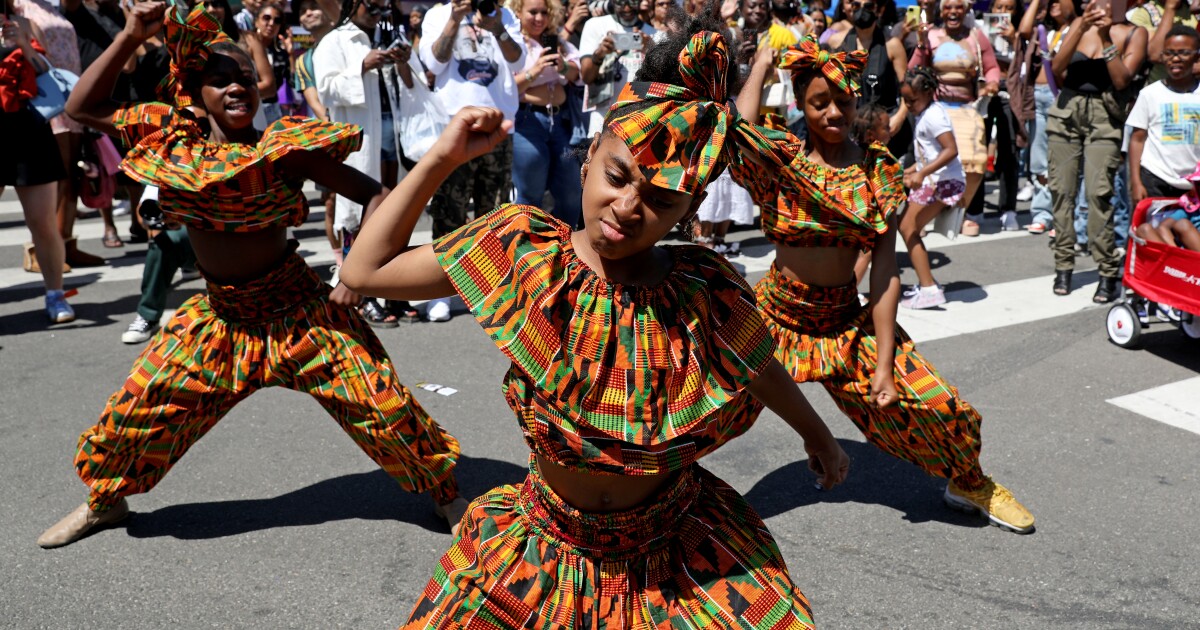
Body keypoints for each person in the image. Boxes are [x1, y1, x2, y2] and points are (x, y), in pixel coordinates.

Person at [341, 15, 851, 627]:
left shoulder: (703, 288)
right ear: (587, 163)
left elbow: (757, 365)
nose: (628, 208)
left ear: (689, 210)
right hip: (542, 547)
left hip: (677, 552)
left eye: (662, 201)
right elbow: (368, 270)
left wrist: (815, 433)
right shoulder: (521, 252)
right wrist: (441, 159)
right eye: (617, 177)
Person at [36, 2, 465, 549]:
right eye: (220, 81)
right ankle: (106, 502)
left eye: (244, 79)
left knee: (384, 407)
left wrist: (360, 274)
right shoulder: (171, 139)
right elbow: (81, 105)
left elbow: (379, 195)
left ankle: (448, 495)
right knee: (137, 413)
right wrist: (129, 35)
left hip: (301, 315)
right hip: (220, 321)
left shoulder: (283, 150)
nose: (237, 88)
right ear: (195, 91)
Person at [736, 35, 1036, 533]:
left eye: (843, 102)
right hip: (776, 319)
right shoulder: (783, 161)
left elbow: (883, 272)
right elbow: (737, 134)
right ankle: (631, 494)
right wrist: (762, 64)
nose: (833, 112)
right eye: (819, 103)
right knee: (695, 410)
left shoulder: (878, 169)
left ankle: (969, 480)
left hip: (844, 321)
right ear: (799, 103)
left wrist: (883, 369)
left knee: (944, 406)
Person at [419, 0, 526, 322]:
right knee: (449, 210)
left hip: (499, 125)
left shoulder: (504, 14)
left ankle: (488, 290)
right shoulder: (437, 14)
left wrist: (497, 28)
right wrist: (454, 19)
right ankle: (440, 291)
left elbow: (519, 62)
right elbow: (433, 63)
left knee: (492, 212)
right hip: (454, 126)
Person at [315, 0, 412, 327]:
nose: (377, 11)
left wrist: (402, 63)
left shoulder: (387, 35)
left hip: (392, 136)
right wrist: (363, 65)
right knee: (360, 215)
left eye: (382, 6)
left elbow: (410, 87)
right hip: (362, 139)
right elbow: (326, 89)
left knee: (395, 211)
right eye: (370, 4)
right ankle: (363, 294)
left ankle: (395, 290)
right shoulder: (334, 41)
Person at [1046, 0, 1146, 301]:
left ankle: (1106, 270)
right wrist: (1081, 28)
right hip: (1066, 111)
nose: (1097, 3)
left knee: (1098, 195)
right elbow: (1056, 68)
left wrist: (1103, 38)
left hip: (1105, 116)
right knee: (1061, 192)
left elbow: (1120, 79)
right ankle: (1063, 266)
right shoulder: (1078, 24)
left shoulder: (1134, 32)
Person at [2, 5, 74, 322]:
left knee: (42, 223)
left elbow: (48, 72)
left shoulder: (24, 23)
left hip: (28, 130)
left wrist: (22, 46)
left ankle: (55, 296)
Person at [909, 0, 1000, 237]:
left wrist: (992, 82)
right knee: (931, 163)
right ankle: (925, 215)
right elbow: (913, 70)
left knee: (976, 162)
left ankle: (958, 210)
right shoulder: (932, 35)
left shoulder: (976, 37)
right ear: (941, 11)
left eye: (958, 6)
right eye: (948, 7)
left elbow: (991, 67)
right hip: (937, 110)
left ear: (966, 10)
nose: (953, 12)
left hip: (968, 108)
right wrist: (921, 44)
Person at [508, 0, 584, 227]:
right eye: (533, 12)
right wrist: (535, 70)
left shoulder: (558, 42)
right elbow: (508, 88)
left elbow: (578, 74)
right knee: (530, 194)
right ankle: (526, 248)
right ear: (518, 13)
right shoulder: (513, 45)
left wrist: (563, 67)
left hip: (561, 122)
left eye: (544, 12)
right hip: (527, 121)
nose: (539, 18)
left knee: (571, 191)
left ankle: (564, 246)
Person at [898, 67, 966, 309]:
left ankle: (929, 289)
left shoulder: (934, 116)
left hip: (943, 181)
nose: (908, 104)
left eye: (912, 100)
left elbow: (951, 150)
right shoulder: (925, 113)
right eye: (904, 100)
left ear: (928, 93)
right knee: (908, 228)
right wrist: (910, 171)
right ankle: (928, 283)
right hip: (936, 179)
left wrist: (922, 173)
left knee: (908, 228)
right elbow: (930, 154)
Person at [1128, 25, 1200, 206]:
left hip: (1194, 181)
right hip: (1155, 178)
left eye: (1183, 53)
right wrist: (1136, 182)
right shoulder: (1150, 94)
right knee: (1153, 231)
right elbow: (1137, 139)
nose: (1175, 59)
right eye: (1169, 53)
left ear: (1197, 57)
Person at [578, 0, 656, 136]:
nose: (626, 8)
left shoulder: (654, 34)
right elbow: (586, 77)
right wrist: (599, 53)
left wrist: (650, 49)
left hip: (639, 124)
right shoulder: (595, 25)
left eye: (632, 2)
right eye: (620, 2)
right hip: (602, 122)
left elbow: (662, 83)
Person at [1131, 0, 1198, 84]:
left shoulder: (1193, 8)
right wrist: (1170, 8)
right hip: (1162, 87)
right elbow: (1156, 55)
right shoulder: (1142, 14)